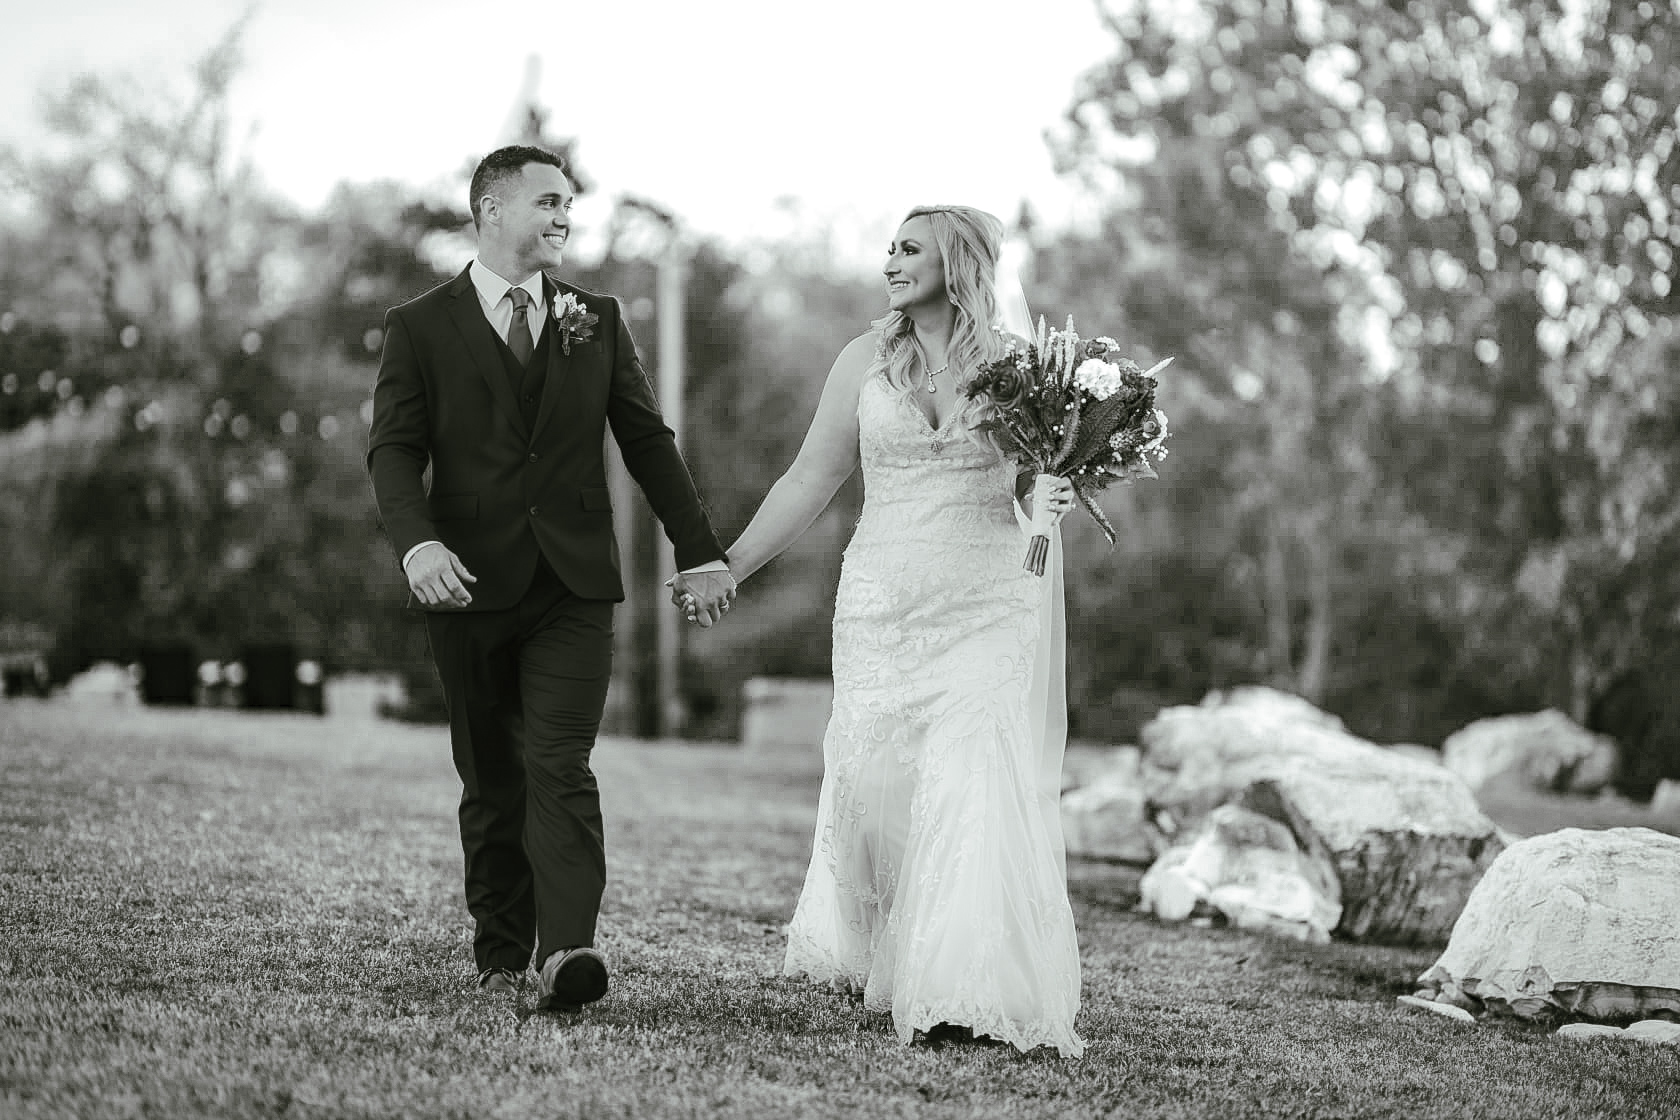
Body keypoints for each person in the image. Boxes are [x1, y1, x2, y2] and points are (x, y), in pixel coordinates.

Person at [704, 205, 1084, 1056]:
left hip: (987, 600)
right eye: (890, 247)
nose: (890, 261)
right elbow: (812, 477)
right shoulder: (863, 361)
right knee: (876, 789)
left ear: (956, 263)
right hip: (882, 600)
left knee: (972, 770)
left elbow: (1032, 492)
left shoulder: (1023, 370)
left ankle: (965, 984)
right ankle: (888, 948)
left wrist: (1048, 502)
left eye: (909, 248)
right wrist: (731, 564)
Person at [366, 145, 736, 1011]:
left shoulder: (595, 319)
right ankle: (501, 949)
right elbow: (393, 450)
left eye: (569, 202)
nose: (565, 215)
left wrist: (699, 549)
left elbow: (647, 440)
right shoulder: (419, 325)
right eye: (547, 201)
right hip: (463, 585)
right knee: (492, 778)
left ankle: (566, 950)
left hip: (574, 587)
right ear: (491, 209)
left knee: (560, 764)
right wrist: (416, 546)